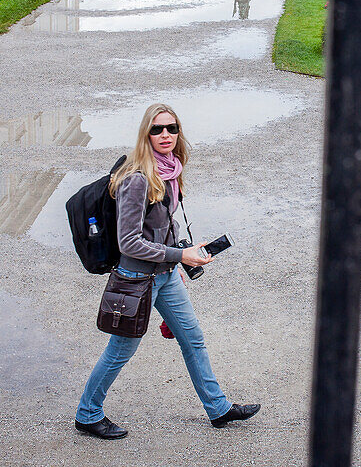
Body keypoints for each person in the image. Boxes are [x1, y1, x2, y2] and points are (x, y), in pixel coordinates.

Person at [76, 104, 261, 439]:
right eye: (157, 129)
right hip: (136, 279)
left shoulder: (170, 172)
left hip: (166, 275)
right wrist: (181, 254)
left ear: (179, 133)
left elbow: (162, 227)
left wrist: (182, 257)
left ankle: (218, 409)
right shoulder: (136, 180)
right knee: (121, 351)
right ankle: (88, 414)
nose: (165, 135)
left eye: (171, 128)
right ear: (145, 134)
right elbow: (129, 241)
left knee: (193, 339)